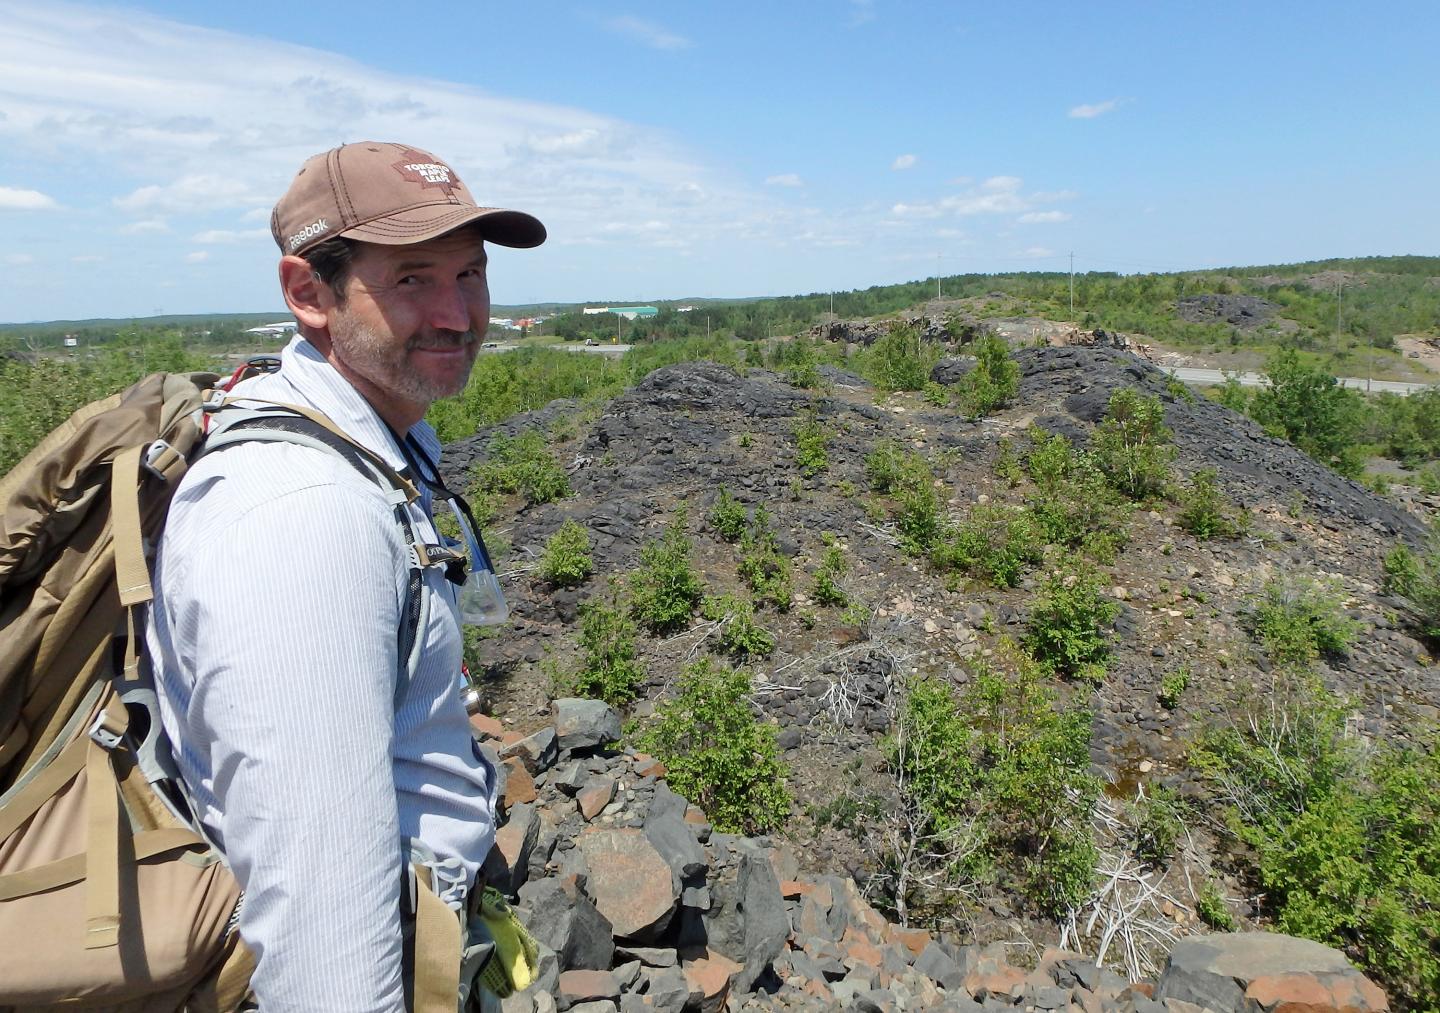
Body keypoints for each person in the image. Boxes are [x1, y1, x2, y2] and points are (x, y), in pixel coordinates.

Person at [145, 141, 545, 1010]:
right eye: (412, 280)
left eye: (470, 274)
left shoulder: (378, 436)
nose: (458, 312)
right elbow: (317, 902)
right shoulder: (300, 514)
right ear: (307, 293)